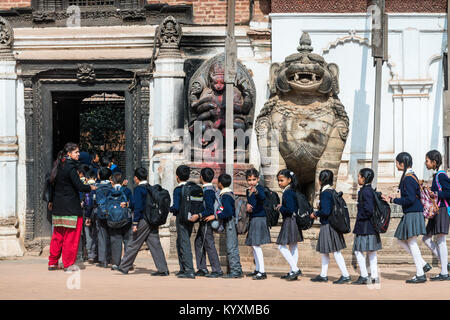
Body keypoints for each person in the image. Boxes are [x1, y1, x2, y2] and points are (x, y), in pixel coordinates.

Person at [382, 152, 429, 283]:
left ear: (402, 164)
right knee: (402, 241)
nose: (396, 165)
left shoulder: (408, 178)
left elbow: (409, 199)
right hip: (413, 212)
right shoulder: (411, 176)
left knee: (411, 242)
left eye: (397, 163)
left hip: (413, 212)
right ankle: (423, 265)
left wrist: (392, 200)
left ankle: (420, 273)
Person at [48, 142, 95, 271]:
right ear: (69, 154)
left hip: (58, 207)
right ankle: (68, 264)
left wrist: (51, 201)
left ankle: (52, 262)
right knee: (71, 237)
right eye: (76, 152)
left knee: (58, 236)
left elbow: (51, 185)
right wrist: (90, 187)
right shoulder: (70, 168)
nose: (78, 154)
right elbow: (79, 186)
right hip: (71, 207)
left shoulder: (58, 166)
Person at [114, 167, 169, 276]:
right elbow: (139, 203)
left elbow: (138, 207)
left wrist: (135, 223)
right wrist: (128, 204)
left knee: (133, 243)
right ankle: (163, 269)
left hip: (143, 220)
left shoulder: (139, 189)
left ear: (136, 178)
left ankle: (124, 266)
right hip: (152, 220)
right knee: (155, 244)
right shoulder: (150, 188)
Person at [310, 169, 351, 284]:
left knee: (336, 252)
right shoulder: (332, 191)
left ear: (321, 180)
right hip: (332, 224)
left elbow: (326, 211)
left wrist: (315, 214)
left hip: (329, 225)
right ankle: (323, 275)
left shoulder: (325, 193)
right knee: (325, 251)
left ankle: (346, 275)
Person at [204, 173, 243, 278]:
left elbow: (228, 212)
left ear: (220, 184)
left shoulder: (225, 196)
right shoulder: (229, 194)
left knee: (231, 247)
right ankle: (237, 270)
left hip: (230, 223)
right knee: (233, 247)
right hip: (231, 222)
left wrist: (215, 216)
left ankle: (235, 271)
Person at [423, 150, 450, 281]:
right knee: (426, 238)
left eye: (427, 160)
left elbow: (448, 192)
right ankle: (444, 264)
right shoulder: (436, 176)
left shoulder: (441, 175)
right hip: (437, 211)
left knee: (441, 240)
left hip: (442, 210)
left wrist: (436, 194)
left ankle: (444, 272)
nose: (425, 163)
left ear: (434, 162)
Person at [352, 168, 382, 285]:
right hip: (370, 226)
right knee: (371, 252)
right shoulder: (369, 190)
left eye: (359, 176)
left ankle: (364, 275)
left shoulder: (365, 191)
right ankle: (374, 276)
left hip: (364, 226)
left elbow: (368, 210)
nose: (358, 178)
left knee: (358, 251)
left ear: (364, 178)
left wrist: (360, 216)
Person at [191, 167, 223, 278]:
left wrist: (198, 215)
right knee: (198, 242)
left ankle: (217, 269)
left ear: (201, 177)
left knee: (209, 244)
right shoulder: (210, 189)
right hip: (204, 221)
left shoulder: (208, 191)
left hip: (206, 222)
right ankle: (202, 268)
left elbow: (209, 209)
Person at [275, 169, 303, 281]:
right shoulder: (292, 191)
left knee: (281, 246)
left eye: (281, 180)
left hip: (290, 220)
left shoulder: (287, 192)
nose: (279, 183)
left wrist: (280, 207)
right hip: (294, 220)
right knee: (293, 246)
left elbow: (290, 209)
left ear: (289, 180)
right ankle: (293, 271)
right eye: (278, 180)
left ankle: (295, 269)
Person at [170, 165, 196, 279]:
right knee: (180, 242)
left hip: (181, 218)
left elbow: (176, 207)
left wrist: (168, 208)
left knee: (184, 243)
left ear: (177, 177)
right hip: (191, 218)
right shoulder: (192, 188)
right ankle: (183, 268)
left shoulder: (178, 190)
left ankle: (189, 270)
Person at [245, 168, 271, 280]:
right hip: (253, 218)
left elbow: (262, 197)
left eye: (253, 179)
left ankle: (262, 271)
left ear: (258, 179)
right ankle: (257, 269)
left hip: (260, 218)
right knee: (253, 245)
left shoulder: (260, 188)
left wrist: (255, 191)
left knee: (256, 245)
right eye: (249, 180)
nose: (251, 182)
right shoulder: (248, 190)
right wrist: (247, 207)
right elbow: (251, 204)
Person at [86, 167, 113, 268]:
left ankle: (103, 260)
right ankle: (111, 258)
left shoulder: (95, 187)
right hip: (112, 214)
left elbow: (90, 203)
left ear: (99, 176)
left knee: (101, 236)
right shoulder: (112, 187)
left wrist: (88, 216)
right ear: (110, 177)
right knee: (111, 235)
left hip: (99, 214)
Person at [109, 172, 133, 269]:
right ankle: (128, 263)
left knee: (115, 240)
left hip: (113, 219)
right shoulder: (127, 190)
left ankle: (115, 263)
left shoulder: (110, 191)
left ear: (112, 181)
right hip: (125, 219)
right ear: (123, 181)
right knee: (127, 240)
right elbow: (133, 203)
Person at [83, 170, 98, 263]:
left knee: (88, 234)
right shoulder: (98, 187)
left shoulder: (84, 187)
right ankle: (95, 254)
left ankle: (89, 254)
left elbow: (87, 203)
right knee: (96, 234)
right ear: (96, 178)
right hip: (97, 213)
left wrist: (87, 216)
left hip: (87, 213)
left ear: (86, 179)